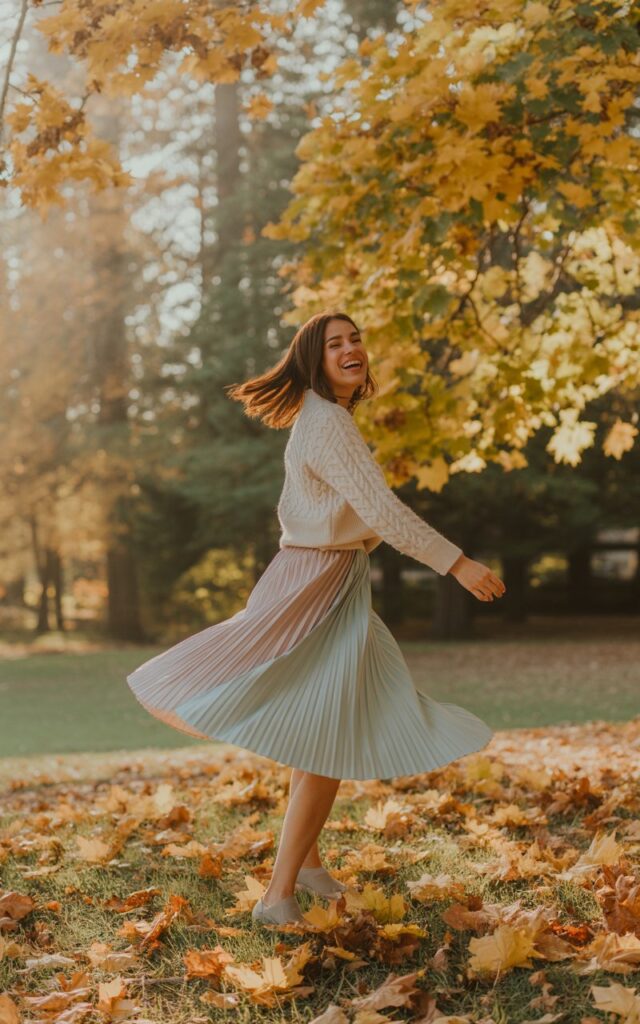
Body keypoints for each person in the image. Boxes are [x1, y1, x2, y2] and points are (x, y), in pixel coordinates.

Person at [126, 309, 505, 930]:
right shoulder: (327, 422)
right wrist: (455, 563)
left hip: (323, 576)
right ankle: (276, 898)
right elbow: (381, 511)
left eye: (356, 338)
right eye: (336, 343)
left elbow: (359, 515)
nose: (352, 347)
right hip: (317, 585)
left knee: (320, 724)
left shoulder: (323, 418)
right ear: (314, 359)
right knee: (328, 732)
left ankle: (306, 865)